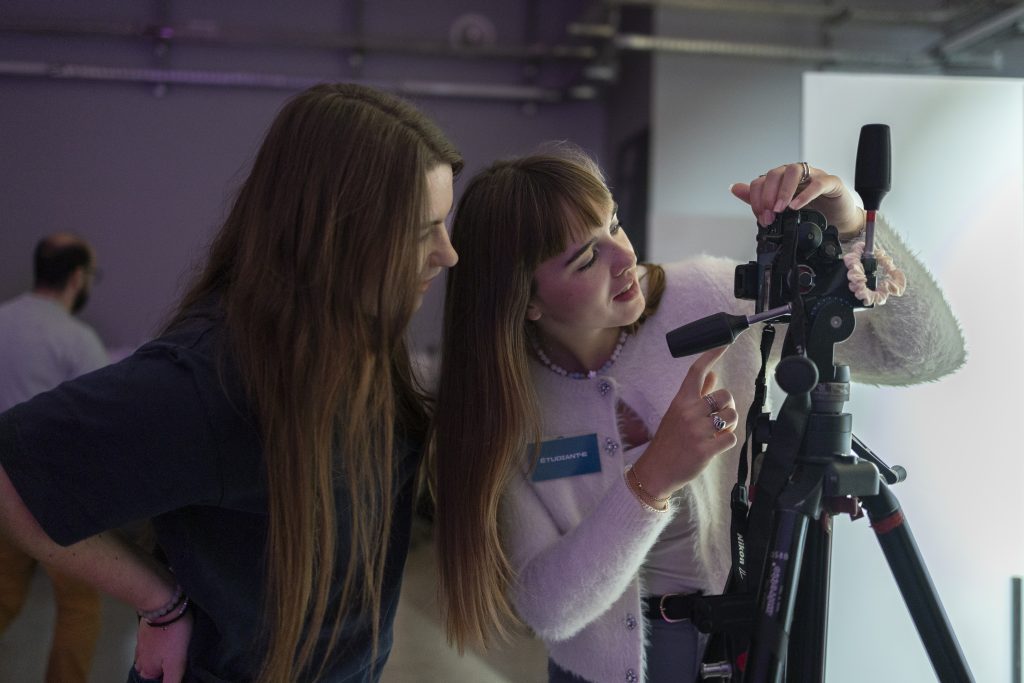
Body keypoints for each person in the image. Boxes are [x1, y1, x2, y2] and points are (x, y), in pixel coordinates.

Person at [432, 146, 965, 683]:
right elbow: (548, 609)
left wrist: (849, 223)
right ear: (526, 300)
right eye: (586, 259)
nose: (624, 260)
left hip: (733, 649)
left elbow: (920, 355)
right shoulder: (502, 401)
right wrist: (654, 475)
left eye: (614, 225)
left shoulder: (704, 298)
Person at [0, 83, 461, 682]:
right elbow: (15, 469)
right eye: (424, 229)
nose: (447, 254)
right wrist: (158, 602)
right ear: (337, 231)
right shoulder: (213, 378)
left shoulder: (361, 337)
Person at [0, 233, 109, 683]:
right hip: (53, 498)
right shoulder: (77, 341)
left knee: (3, 593)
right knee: (80, 606)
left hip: (2, 486)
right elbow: (104, 424)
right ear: (78, 277)